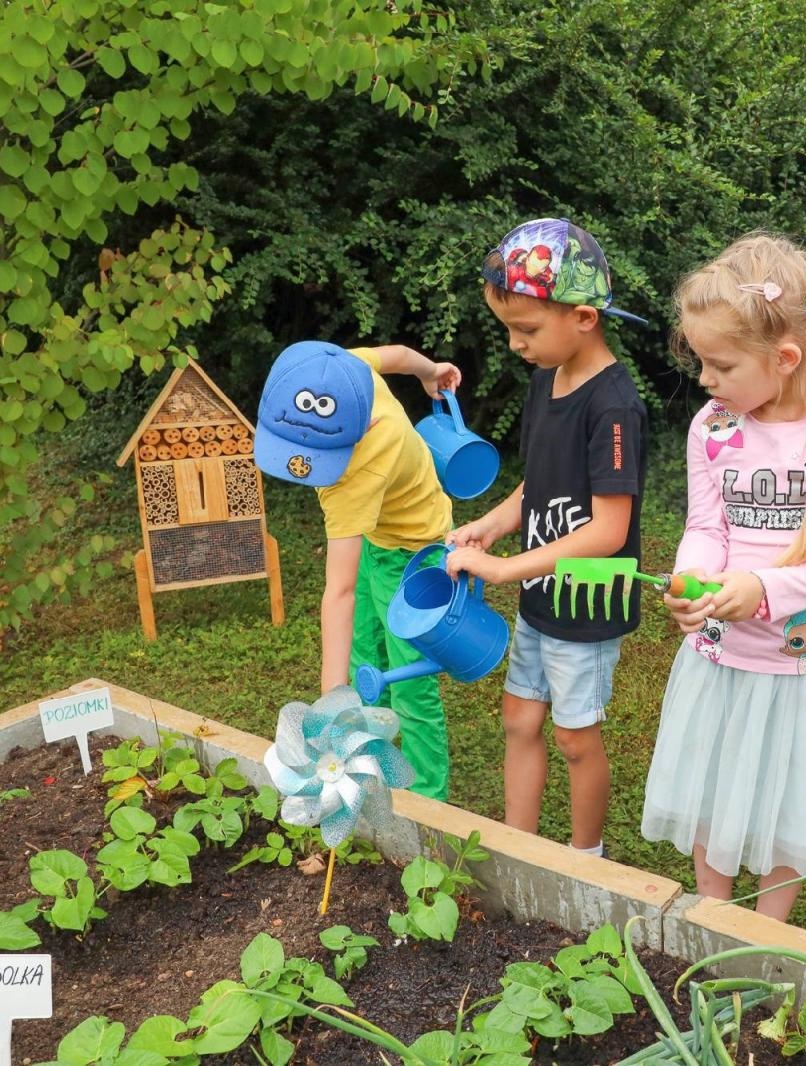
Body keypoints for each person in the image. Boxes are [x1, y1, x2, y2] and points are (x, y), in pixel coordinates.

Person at [641, 232, 806, 923]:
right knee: (710, 783)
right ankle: (714, 915)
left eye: (719, 364)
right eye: (700, 362)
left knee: (791, 795)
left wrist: (765, 591)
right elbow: (706, 527)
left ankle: (764, 928)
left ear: (784, 359)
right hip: (721, 655)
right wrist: (693, 580)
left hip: (805, 664)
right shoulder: (712, 428)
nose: (704, 380)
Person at [444, 219, 649, 859]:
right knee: (519, 718)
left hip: (585, 603)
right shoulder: (546, 380)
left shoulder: (614, 406)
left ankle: (587, 860)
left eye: (527, 330)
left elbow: (610, 529)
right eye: (508, 328)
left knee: (574, 738)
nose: (514, 344)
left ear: (584, 316)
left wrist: (507, 569)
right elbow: (537, 484)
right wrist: (491, 525)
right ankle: (519, 848)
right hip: (541, 591)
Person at [253, 340, 461, 799]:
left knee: (409, 683)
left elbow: (339, 593)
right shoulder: (341, 374)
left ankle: (429, 803)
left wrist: (332, 699)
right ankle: (373, 777)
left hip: (415, 556)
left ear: (360, 424)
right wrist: (431, 371)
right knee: (367, 659)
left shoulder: (358, 473)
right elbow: (401, 355)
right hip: (375, 537)